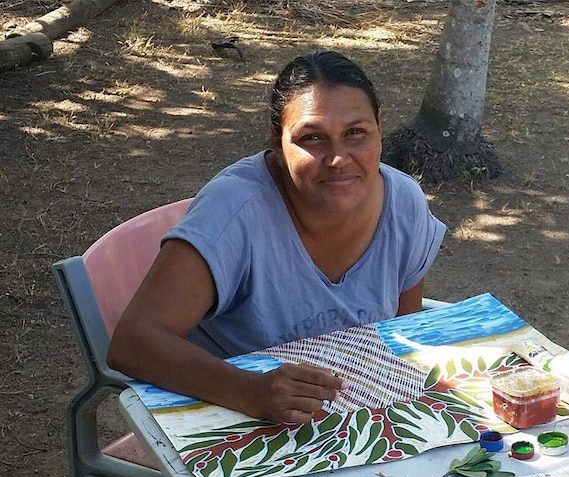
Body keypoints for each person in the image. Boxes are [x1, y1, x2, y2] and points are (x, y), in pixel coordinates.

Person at [107, 50, 446, 425]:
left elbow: (403, 334)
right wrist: (250, 391)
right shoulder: (234, 211)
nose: (338, 158)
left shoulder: (404, 203)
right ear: (278, 144)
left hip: (350, 418)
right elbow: (134, 342)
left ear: (380, 131)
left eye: (356, 133)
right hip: (231, 417)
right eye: (312, 138)